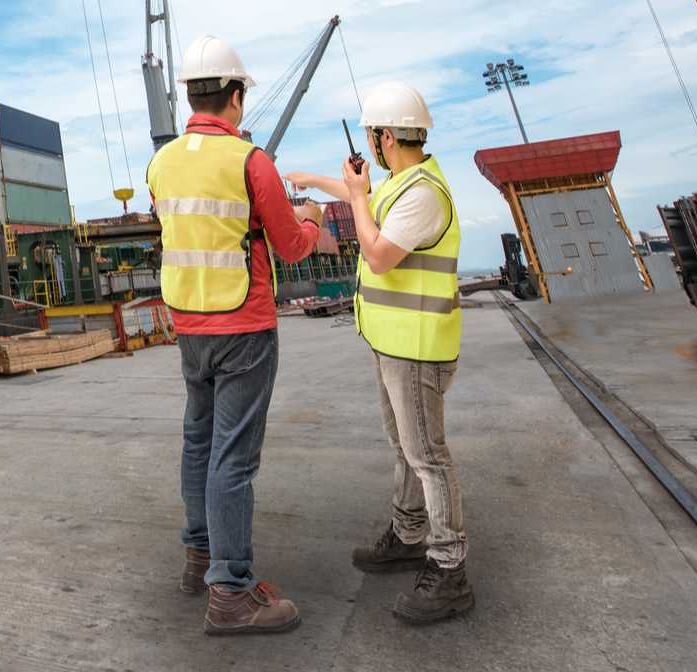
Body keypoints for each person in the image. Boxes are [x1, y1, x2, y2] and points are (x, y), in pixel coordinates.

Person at [151, 35, 337, 637]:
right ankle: (230, 593)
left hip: (188, 325)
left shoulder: (162, 163)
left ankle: (199, 557)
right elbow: (290, 245)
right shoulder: (251, 162)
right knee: (233, 458)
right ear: (235, 95)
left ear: (189, 94)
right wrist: (311, 218)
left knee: (198, 443)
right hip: (245, 326)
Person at [288, 81, 473, 624]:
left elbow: (379, 252)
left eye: (372, 135)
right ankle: (408, 533)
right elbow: (357, 195)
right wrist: (311, 181)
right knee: (405, 446)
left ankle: (449, 569)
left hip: (418, 349)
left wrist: (357, 197)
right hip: (393, 344)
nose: (369, 144)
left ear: (385, 136)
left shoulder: (420, 195)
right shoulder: (399, 182)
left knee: (428, 456)